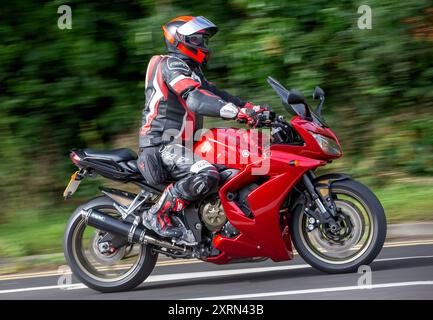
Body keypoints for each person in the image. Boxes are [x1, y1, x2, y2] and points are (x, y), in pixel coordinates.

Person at [138, 16, 263, 242]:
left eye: (203, 40)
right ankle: (157, 215)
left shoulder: (191, 71)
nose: (202, 45)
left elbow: (220, 96)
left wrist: (253, 109)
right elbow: (194, 97)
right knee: (207, 173)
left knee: (235, 169)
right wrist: (235, 113)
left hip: (184, 146)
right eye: (197, 39)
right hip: (161, 146)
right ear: (179, 40)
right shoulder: (170, 65)